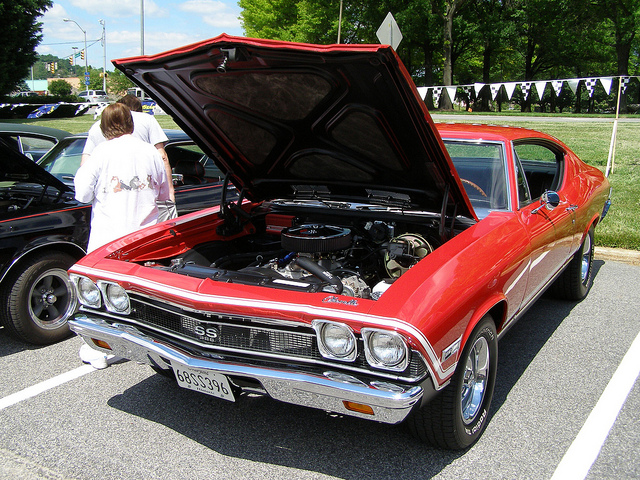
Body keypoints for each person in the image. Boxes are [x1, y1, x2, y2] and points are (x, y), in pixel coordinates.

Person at [74, 103, 170, 253]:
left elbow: (83, 195)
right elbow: (163, 194)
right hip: (145, 241)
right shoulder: (151, 152)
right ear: (131, 123)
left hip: (108, 243)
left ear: (103, 126)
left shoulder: (100, 152)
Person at [81, 94, 175, 203]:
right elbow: (162, 157)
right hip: (144, 197)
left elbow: (84, 164)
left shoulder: (96, 130)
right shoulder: (147, 121)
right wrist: (170, 192)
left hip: (108, 200)